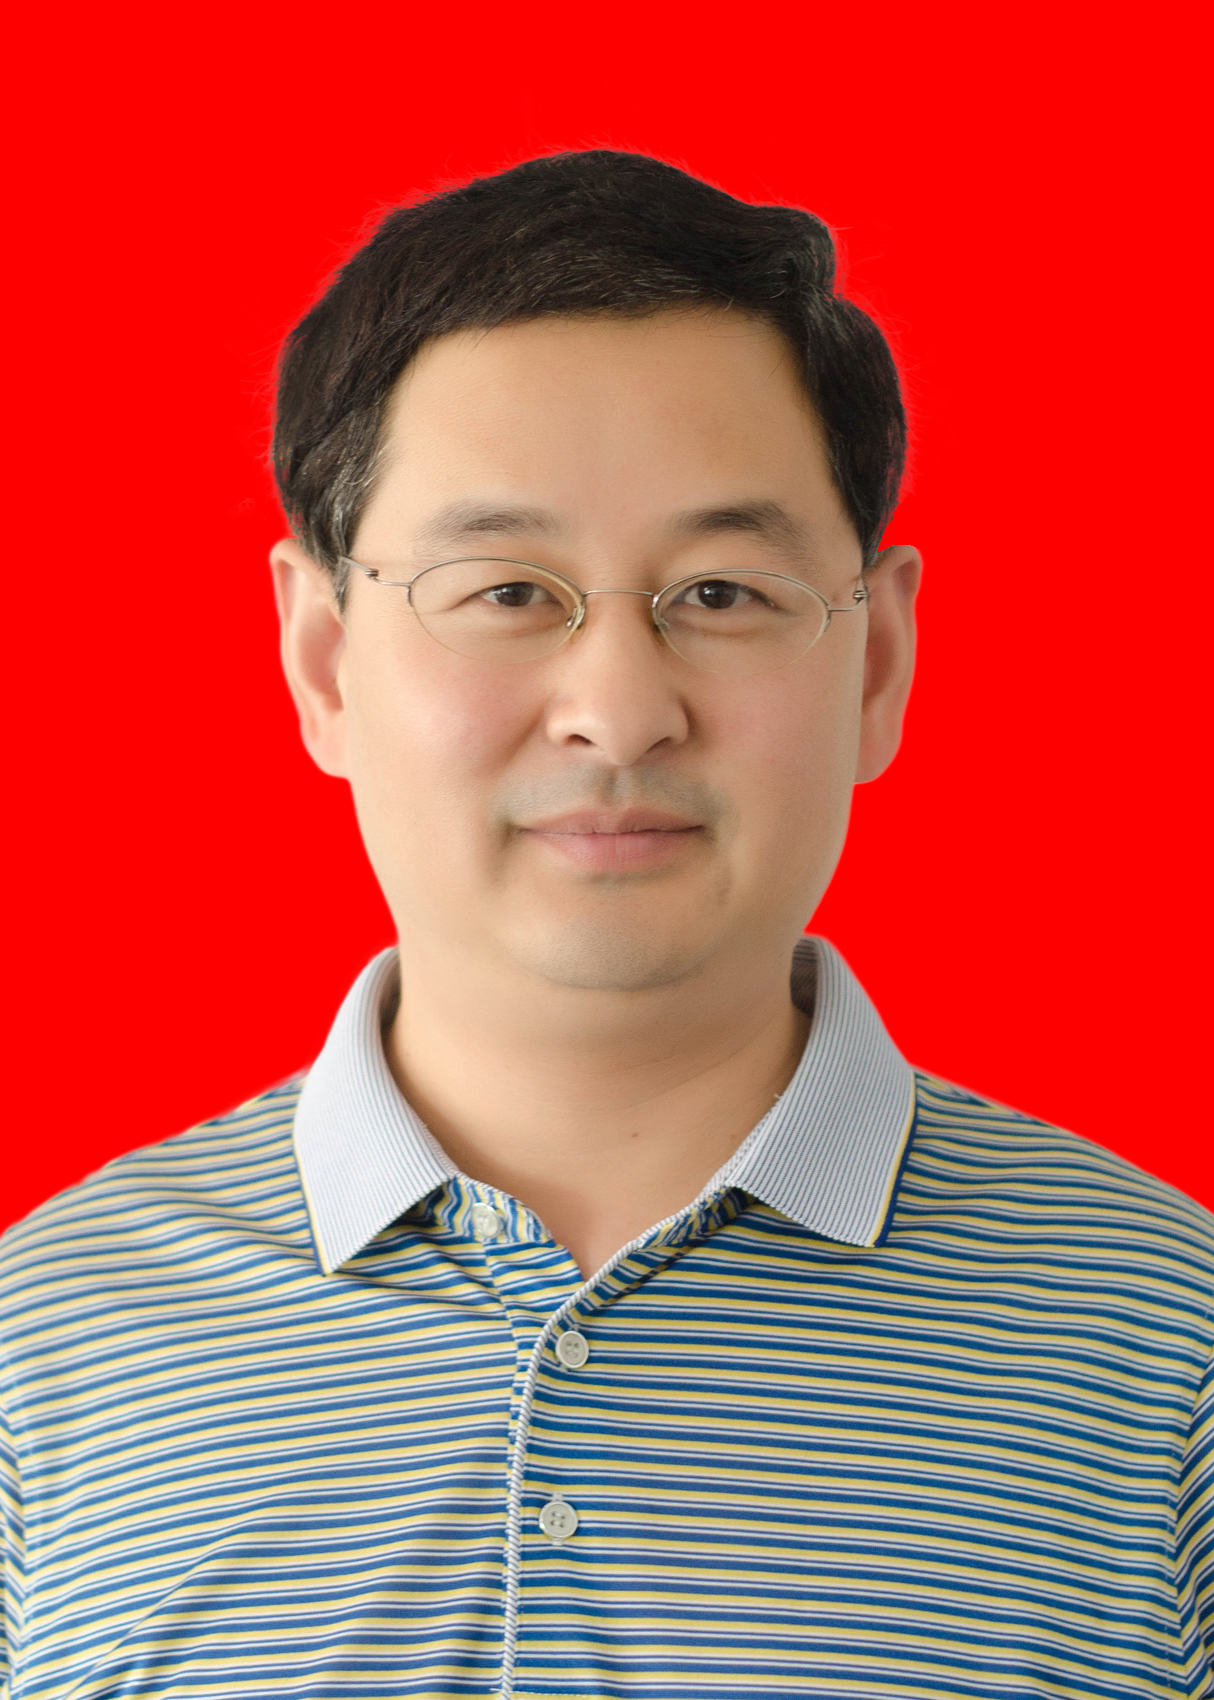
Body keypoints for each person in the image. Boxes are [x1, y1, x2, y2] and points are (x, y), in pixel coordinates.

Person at [1, 151, 1211, 1700]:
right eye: (508, 592)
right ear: (323, 659)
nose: (620, 711)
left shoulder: (1167, 1351)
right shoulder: (44, 1352)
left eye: (720, 594)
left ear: (876, 661)